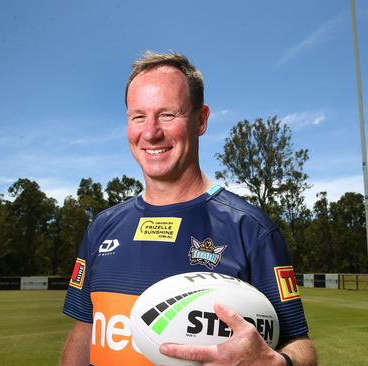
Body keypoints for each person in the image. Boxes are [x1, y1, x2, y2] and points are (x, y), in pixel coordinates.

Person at [60, 51, 317, 366]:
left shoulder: (251, 229)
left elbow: (301, 346)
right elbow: (84, 333)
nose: (151, 132)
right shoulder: (101, 228)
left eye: (167, 114)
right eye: (138, 116)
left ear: (201, 120)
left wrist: (279, 363)